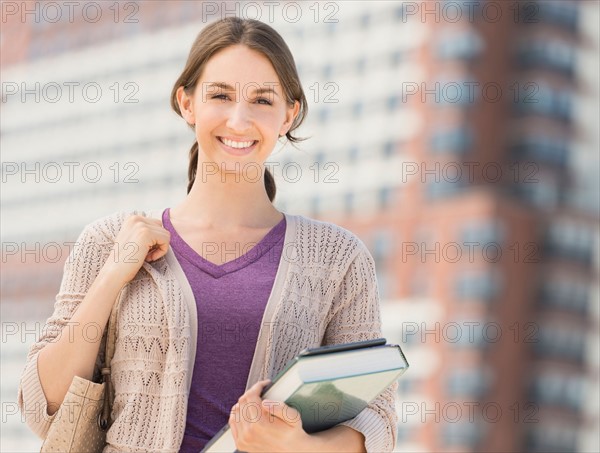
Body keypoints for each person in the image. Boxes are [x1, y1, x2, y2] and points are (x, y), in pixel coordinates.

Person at [18, 17, 398, 452]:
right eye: (220, 95)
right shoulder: (109, 241)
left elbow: (377, 419)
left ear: (289, 113)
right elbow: (41, 408)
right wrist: (111, 278)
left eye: (261, 99)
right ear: (187, 103)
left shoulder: (338, 258)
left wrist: (297, 445)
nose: (239, 119)